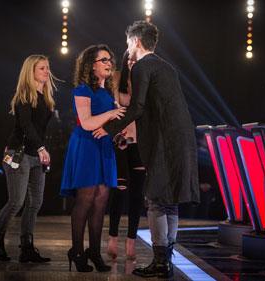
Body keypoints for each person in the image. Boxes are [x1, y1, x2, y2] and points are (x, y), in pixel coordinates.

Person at [93, 20, 200, 279]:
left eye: (128, 42)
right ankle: (166, 260)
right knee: (170, 200)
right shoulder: (167, 66)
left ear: (136, 42)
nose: (127, 47)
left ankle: (161, 262)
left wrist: (108, 128)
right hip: (183, 137)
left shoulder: (142, 66)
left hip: (164, 139)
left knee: (155, 200)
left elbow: (137, 107)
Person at [60, 44, 126, 273]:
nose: (109, 63)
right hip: (86, 146)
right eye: (104, 60)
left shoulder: (109, 91)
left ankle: (95, 252)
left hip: (104, 147)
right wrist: (109, 114)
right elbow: (87, 123)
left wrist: (114, 126)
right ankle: (77, 251)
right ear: (91, 65)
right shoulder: (82, 90)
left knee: (100, 201)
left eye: (110, 59)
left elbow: (116, 120)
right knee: (85, 201)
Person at [0, 54, 55, 263]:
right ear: (31, 71)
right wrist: (42, 147)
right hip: (17, 153)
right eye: (42, 68)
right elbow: (26, 126)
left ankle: (27, 248)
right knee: (16, 201)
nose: (46, 71)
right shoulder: (24, 96)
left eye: (47, 68)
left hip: (36, 155)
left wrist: (42, 150)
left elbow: (41, 129)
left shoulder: (46, 96)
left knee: (36, 202)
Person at [107, 51, 146, 262]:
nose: (133, 63)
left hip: (140, 143)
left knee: (137, 195)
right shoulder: (115, 77)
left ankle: (131, 241)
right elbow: (110, 111)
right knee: (119, 190)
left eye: (137, 60)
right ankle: (112, 237)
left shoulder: (146, 80)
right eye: (130, 59)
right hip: (120, 140)